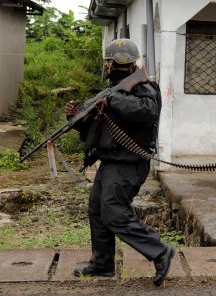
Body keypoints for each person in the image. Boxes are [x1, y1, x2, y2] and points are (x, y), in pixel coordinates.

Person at [66, 38, 174, 286]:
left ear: (119, 63)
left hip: (128, 162)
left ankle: (159, 251)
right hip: (111, 161)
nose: (106, 67)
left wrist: (112, 101)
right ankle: (102, 264)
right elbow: (95, 128)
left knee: (115, 213)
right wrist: (76, 117)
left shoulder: (143, 87)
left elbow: (147, 112)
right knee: (97, 210)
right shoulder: (112, 90)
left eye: (109, 62)